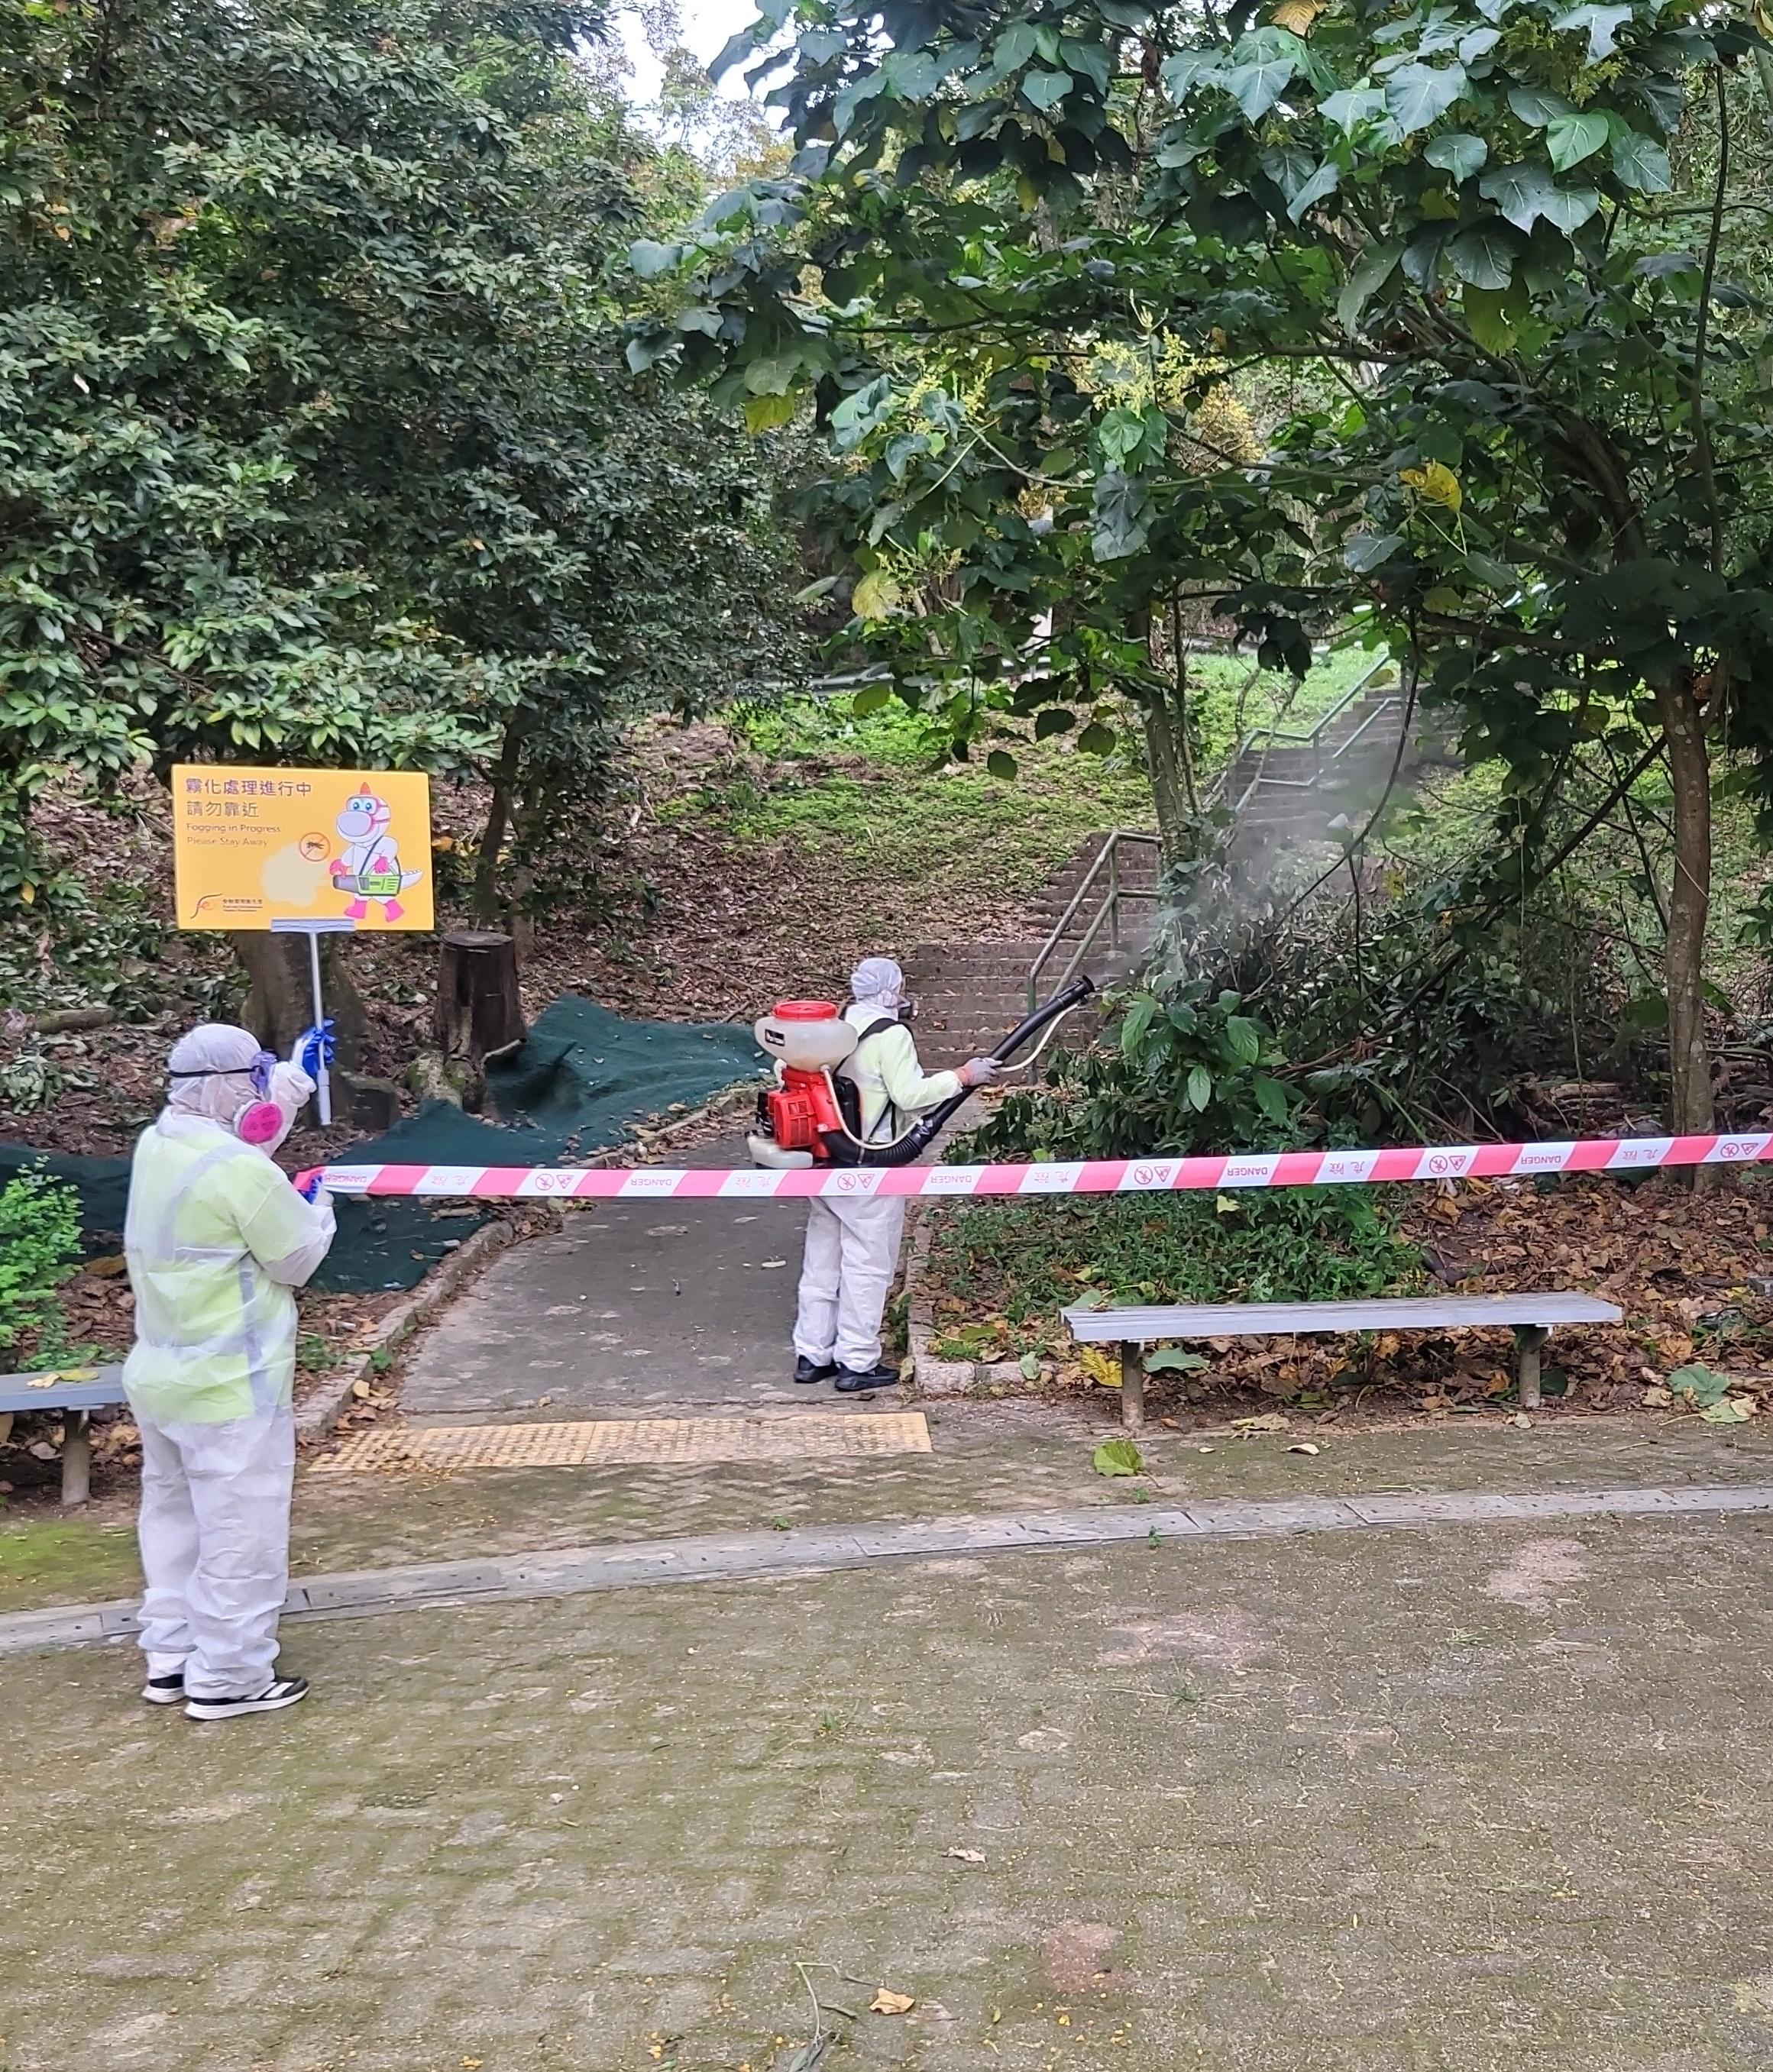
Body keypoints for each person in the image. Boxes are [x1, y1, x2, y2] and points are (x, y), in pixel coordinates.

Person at [122, 1023, 336, 1721]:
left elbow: (233, 1151)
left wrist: (292, 1085)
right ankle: (231, 1676)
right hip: (232, 1386)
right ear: (225, 1086)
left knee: (174, 1523)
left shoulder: (160, 1144)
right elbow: (295, 1257)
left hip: (161, 1377)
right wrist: (320, 1208)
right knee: (239, 1535)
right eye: (253, 1076)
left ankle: (173, 1657)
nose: (257, 1090)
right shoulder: (240, 1170)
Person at [793, 957, 1000, 1393]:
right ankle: (858, 1362)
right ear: (892, 990)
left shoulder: (834, 1029)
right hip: (871, 1166)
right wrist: (963, 1076)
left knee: (823, 1261)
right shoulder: (891, 1035)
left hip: (825, 1160)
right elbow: (911, 1096)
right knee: (867, 1266)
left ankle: (813, 1354)